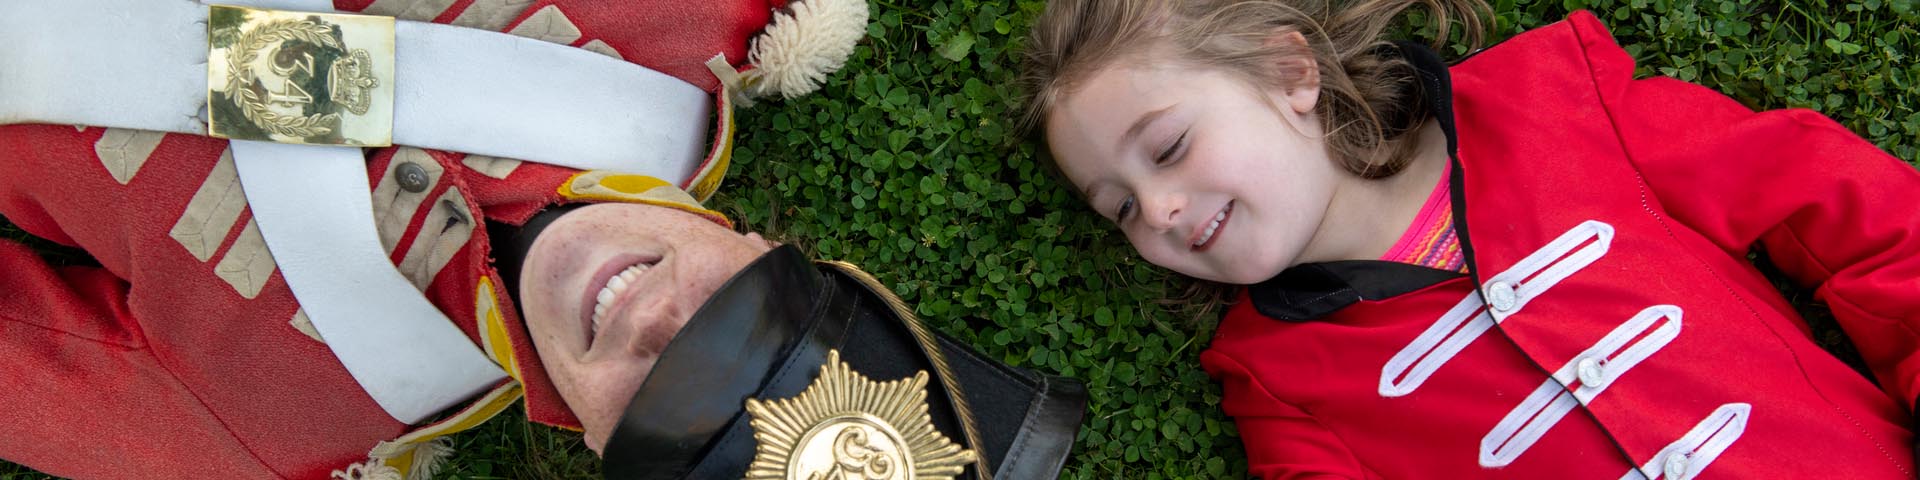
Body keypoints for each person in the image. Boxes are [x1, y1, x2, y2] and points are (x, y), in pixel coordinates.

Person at [0, 0, 1086, 478]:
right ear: (779, 252)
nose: (656, 321)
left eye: (674, 416)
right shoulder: (687, 19)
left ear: (606, 458)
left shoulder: (270, 426)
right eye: (748, 324)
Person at [1019, 0, 1920, 478]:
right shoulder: (1281, 388)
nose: (1160, 211)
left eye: (1169, 148)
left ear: (1290, 72)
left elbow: (1852, 212)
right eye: (1122, 208)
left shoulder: (1556, 109)